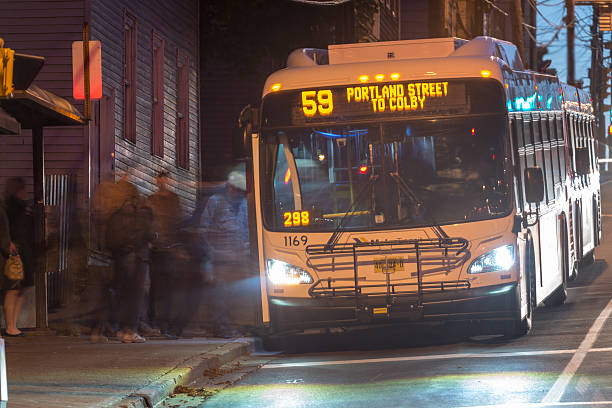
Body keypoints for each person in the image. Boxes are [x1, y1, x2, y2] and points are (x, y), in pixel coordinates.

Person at [199, 169, 249, 337]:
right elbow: (204, 228)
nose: (239, 193)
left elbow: (246, 229)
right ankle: (220, 326)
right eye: (237, 190)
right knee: (220, 294)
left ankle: (228, 325)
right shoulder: (215, 202)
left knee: (233, 295)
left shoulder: (243, 205)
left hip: (237, 259)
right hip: (220, 259)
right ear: (229, 188)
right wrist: (211, 253)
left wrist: (245, 250)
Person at [105, 169, 153, 343]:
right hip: (138, 257)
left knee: (121, 293)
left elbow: (109, 240)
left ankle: (117, 328)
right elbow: (150, 234)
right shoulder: (140, 215)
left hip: (120, 258)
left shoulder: (115, 216)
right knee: (136, 294)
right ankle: (130, 330)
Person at [147, 171, 184, 337]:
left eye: (164, 180)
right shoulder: (152, 200)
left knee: (168, 288)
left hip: (169, 250)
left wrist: (176, 246)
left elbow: (178, 222)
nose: (162, 183)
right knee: (155, 287)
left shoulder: (173, 200)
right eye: (159, 180)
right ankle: (155, 321)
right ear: (157, 182)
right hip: (155, 250)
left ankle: (165, 323)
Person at [3, 178, 35, 337]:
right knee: (14, 288)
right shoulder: (14, 207)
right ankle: (11, 325)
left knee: (19, 289)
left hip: (22, 250)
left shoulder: (15, 206)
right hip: (16, 251)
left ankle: (13, 325)